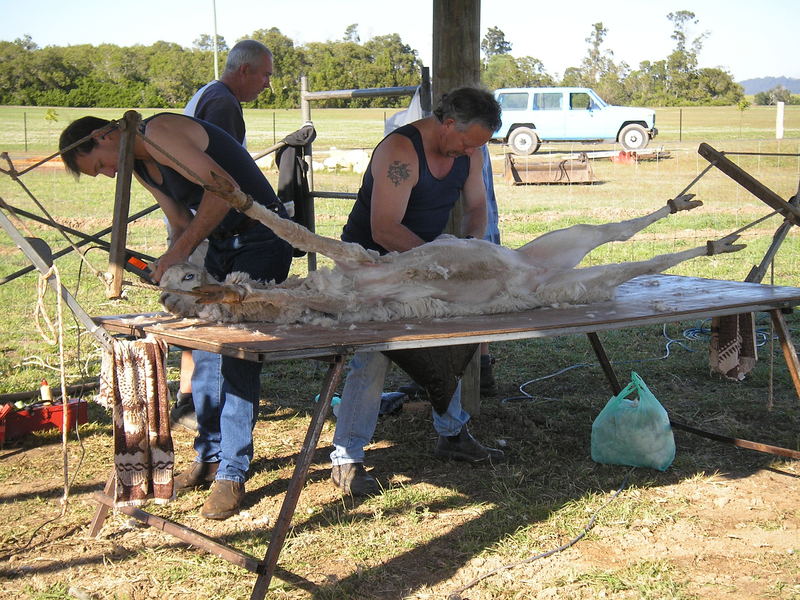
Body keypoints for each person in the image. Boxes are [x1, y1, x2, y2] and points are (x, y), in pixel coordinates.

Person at [59, 112, 293, 520]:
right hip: (223, 244)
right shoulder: (142, 167)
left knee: (237, 353)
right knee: (202, 350)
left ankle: (233, 472)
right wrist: (169, 268)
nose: (110, 173)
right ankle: (210, 456)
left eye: (101, 164)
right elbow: (183, 221)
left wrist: (178, 253)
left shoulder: (161, 133)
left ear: (104, 135)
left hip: (262, 237)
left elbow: (223, 191)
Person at [330, 87, 505, 497]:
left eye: (476, 145)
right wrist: (440, 263)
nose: (468, 152)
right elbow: (384, 228)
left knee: (453, 338)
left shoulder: (471, 149)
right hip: (371, 259)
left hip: (427, 255)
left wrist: (470, 247)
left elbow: (478, 207)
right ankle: (346, 458)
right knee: (376, 352)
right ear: (446, 123)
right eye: (465, 142)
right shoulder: (400, 152)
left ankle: (452, 433)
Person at [170, 39, 274, 431]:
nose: (266, 83)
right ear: (243, 70)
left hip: (200, 220)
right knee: (213, 314)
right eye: (264, 74)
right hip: (210, 222)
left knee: (202, 309)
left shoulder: (209, 94)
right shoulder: (223, 105)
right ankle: (200, 405)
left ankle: (191, 400)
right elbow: (221, 181)